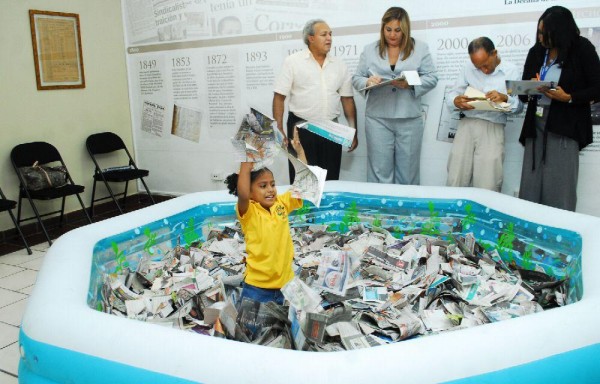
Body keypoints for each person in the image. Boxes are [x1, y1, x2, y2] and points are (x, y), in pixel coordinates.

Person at [518, 6, 600, 211]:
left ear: (560, 31)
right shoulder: (536, 51)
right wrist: (529, 87)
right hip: (535, 127)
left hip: (565, 127)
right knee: (530, 187)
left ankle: (557, 239)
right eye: (538, 31)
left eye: (544, 33)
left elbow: (597, 87)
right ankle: (526, 235)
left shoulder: (582, 48)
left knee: (559, 189)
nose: (540, 37)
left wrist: (569, 97)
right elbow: (522, 91)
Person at [352, 7, 438, 185]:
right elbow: (356, 78)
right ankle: (379, 212)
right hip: (377, 120)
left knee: (408, 174)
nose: (392, 35)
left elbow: (432, 78)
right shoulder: (369, 50)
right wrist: (368, 82)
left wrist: (410, 84)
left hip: (409, 120)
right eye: (388, 29)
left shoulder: (420, 48)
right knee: (378, 173)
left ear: (405, 29)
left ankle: (406, 212)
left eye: (397, 30)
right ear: (382, 29)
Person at [224, 128, 306, 305]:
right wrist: (247, 159)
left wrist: (300, 152)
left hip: (286, 285)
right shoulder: (249, 212)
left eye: (273, 184)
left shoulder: (281, 204)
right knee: (252, 331)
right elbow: (243, 194)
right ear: (251, 192)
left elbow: (302, 186)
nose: (270, 189)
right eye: (263, 186)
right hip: (257, 289)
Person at [273, 19, 358, 182]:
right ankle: (305, 209)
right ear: (311, 38)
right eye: (324, 34)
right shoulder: (293, 62)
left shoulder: (339, 65)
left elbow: (347, 100)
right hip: (301, 129)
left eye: (330, 34)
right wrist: (279, 128)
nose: (329, 38)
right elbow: (279, 97)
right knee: (303, 182)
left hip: (331, 130)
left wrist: (353, 131)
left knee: (331, 180)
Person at [446, 37, 523, 192]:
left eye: (486, 65)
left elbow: (519, 106)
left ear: (494, 53)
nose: (484, 70)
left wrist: (505, 98)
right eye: (478, 67)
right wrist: (456, 101)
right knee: (456, 178)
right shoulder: (468, 67)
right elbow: (454, 93)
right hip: (467, 125)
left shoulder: (511, 70)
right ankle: (454, 216)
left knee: (488, 182)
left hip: (493, 127)